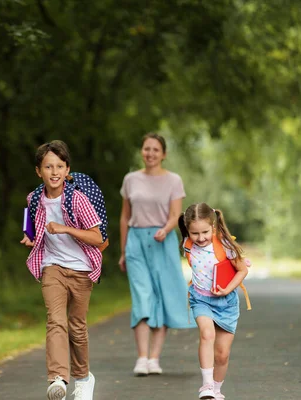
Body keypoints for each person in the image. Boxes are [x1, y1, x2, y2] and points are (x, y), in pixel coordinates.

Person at [21, 140, 103, 400]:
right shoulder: (34, 199)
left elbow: (97, 237)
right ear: (39, 171)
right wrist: (29, 237)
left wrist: (66, 228)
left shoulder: (77, 200)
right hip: (52, 266)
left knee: (77, 327)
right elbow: (31, 228)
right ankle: (58, 378)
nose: (54, 172)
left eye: (59, 166)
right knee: (55, 320)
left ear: (68, 170)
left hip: (81, 269)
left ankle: (83, 378)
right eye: (48, 166)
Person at [118, 132, 194, 376]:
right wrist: (123, 250)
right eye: (146, 149)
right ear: (142, 151)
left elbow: (175, 216)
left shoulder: (173, 181)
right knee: (142, 296)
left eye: (155, 150)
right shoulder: (131, 179)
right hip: (136, 242)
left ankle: (154, 358)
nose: (150, 153)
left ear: (163, 154)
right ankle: (141, 358)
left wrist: (166, 229)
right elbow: (124, 217)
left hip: (162, 241)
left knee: (161, 298)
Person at [178, 203, 249, 399]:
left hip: (226, 303)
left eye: (205, 232)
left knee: (222, 354)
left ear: (214, 227)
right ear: (188, 231)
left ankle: (216, 391)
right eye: (195, 233)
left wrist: (227, 289)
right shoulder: (187, 244)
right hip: (201, 299)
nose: (200, 238)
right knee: (207, 334)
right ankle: (207, 386)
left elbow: (242, 270)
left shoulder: (225, 245)